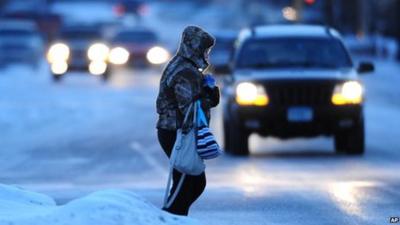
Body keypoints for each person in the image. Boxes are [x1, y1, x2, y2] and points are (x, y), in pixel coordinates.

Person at [156, 25, 220, 216]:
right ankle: (170, 217)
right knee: (190, 181)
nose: (206, 54)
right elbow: (190, 106)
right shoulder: (185, 71)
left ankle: (176, 216)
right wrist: (211, 94)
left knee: (188, 180)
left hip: (177, 131)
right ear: (195, 48)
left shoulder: (184, 66)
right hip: (179, 132)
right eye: (204, 49)